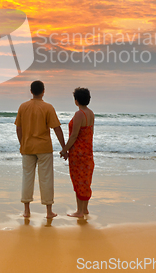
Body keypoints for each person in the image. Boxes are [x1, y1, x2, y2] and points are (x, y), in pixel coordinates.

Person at [15, 80, 66, 219]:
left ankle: (26, 210)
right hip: (44, 147)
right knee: (46, 179)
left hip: (28, 147)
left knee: (27, 177)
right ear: (43, 91)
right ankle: (49, 211)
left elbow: (18, 128)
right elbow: (56, 128)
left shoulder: (23, 107)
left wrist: (22, 144)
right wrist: (64, 147)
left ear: (31, 91)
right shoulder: (48, 107)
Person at [60, 87, 95, 218]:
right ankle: (84, 209)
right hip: (87, 152)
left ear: (76, 101)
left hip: (78, 153)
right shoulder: (91, 113)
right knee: (85, 180)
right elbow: (91, 133)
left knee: (78, 180)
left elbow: (74, 136)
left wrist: (64, 150)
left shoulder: (79, 114)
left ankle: (79, 211)